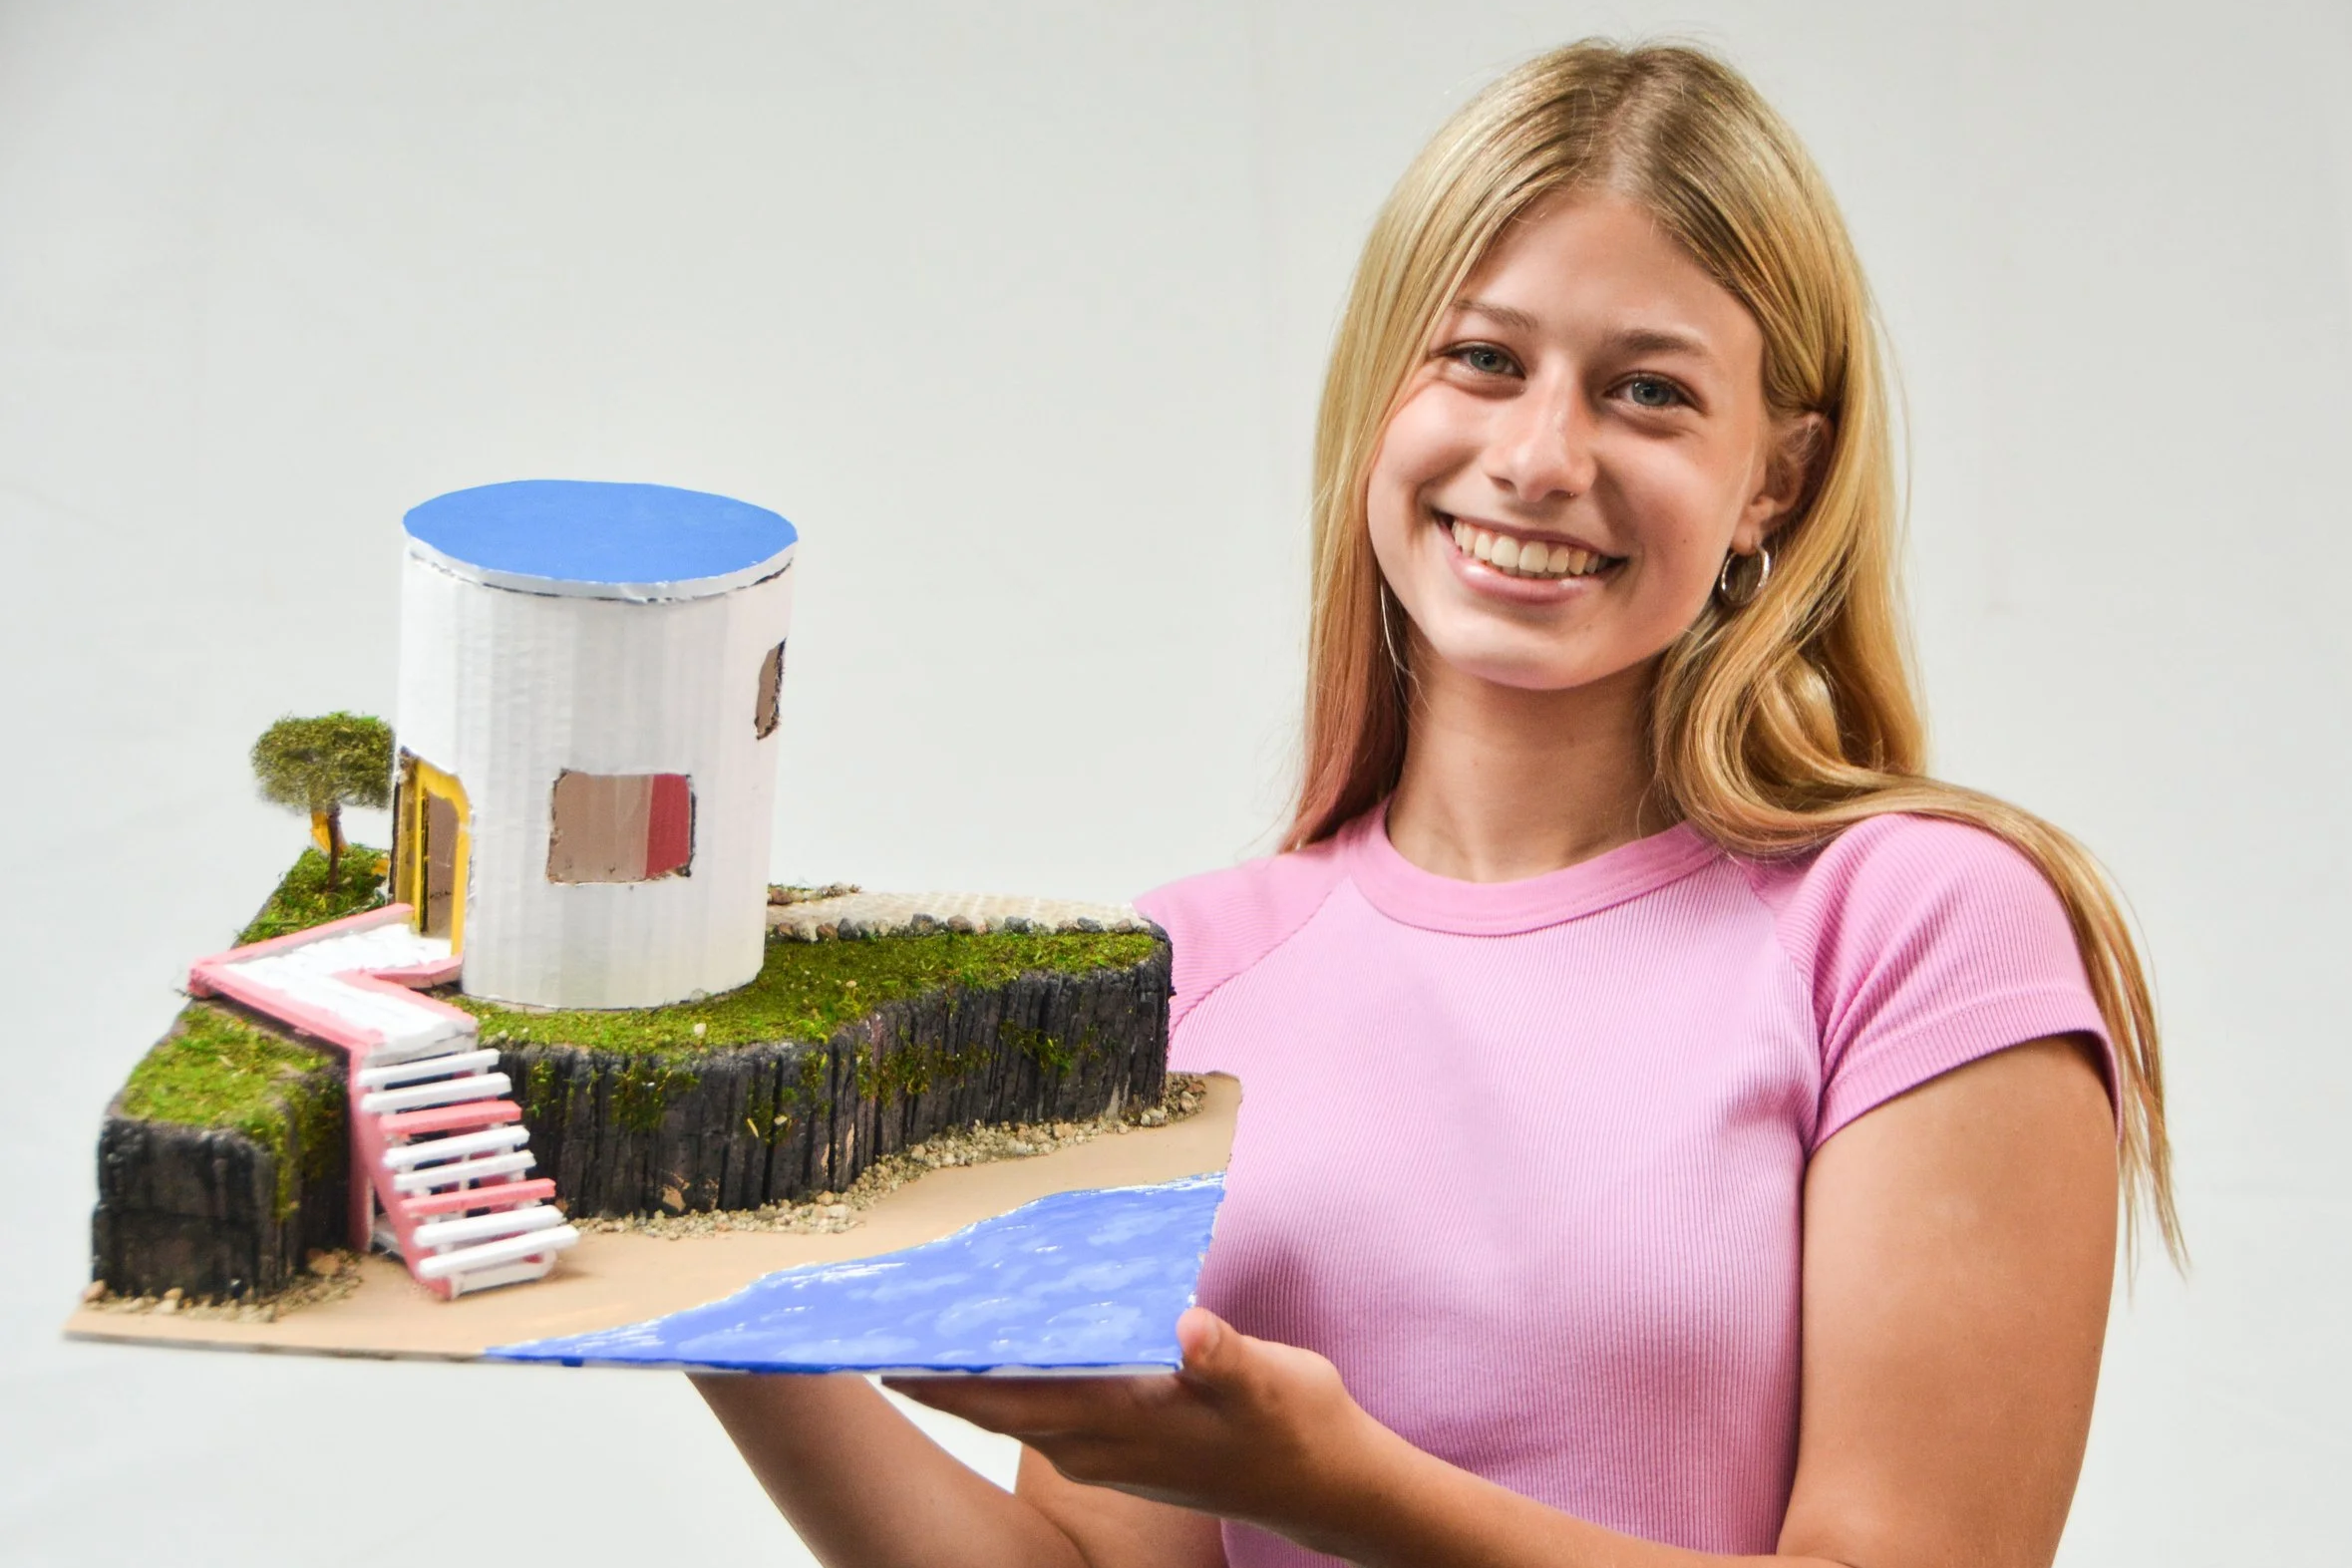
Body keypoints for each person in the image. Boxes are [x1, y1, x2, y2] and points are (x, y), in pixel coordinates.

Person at [694, 38, 2178, 1568]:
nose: (1537, 458)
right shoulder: (1176, 976)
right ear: (1380, 390)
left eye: (1647, 392)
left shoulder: (1917, 930)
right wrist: (680, 1267)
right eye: (1480, 358)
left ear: (1773, 485)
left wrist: (1337, 1486)